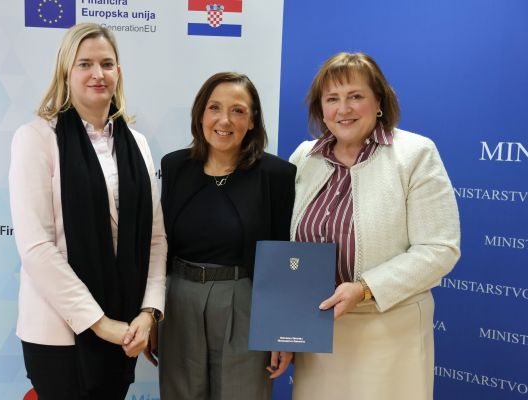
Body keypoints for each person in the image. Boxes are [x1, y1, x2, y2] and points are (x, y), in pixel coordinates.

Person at [289, 52, 460, 400]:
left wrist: (364, 288)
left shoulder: (415, 154)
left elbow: (439, 249)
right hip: (318, 334)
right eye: (332, 99)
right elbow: (286, 250)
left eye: (355, 96)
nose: (343, 109)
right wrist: (283, 327)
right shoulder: (304, 158)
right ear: (321, 108)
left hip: (389, 334)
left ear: (379, 101)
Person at [8, 23, 166, 400]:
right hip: (59, 335)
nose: (98, 74)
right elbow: (36, 247)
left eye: (107, 64)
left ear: (118, 72)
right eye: (85, 64)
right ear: (66, 71)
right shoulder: (36, 138)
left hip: (125, 328)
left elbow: (156, 239)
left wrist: (148, 313)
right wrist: (100, 323)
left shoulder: (138, 144)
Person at [155, 72, 295, 399]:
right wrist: (152, 313)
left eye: (238, 111)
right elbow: (159, 247)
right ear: (200, 114)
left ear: (252, 120)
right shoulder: (174, 167)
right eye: (214, 108)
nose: (224, 120)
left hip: (245, 304)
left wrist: (282, 332)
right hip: (179, 302)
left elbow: (284, 258)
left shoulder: (276, 175)